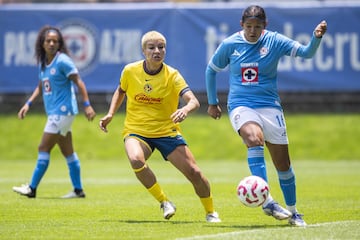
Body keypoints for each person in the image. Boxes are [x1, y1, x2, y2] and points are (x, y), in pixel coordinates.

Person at [205, 5, 327, 227]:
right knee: (253, 138)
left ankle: (293, 211)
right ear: (241, 25)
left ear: (265, 26)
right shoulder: (230, 44)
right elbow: (211, 70)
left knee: (283, 165)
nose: (253, 31)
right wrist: (213, 103)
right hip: (241, 105)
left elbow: (307, 53)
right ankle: (267, 201)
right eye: (249, 26)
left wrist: (316, 38)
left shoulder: (275, 41)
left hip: (270, 107)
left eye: (258, 27)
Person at [99, 31, 221, 223]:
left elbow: (194, 101)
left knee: (195, 173)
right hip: (136, 130)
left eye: (161, 47)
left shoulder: (172, 75)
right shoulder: (130, 71)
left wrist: (185, 109)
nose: (157, 51)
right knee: (136, 159)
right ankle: (164, 202)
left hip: (166, 131)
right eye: (152, 47)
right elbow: (120, 90)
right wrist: (110, 114)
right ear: (143, 50)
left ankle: (211, 212)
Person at [13, 25, 96, 199]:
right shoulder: (43, 63)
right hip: (56, 113)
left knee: (43, 147)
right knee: (68, 151)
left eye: (55, 41)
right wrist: (28, 103)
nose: (51, 43)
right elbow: (41, 86)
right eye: (48, 41)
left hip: (63, 111)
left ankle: (32, 188)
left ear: (59, 44)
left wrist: (87, 105)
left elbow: (79, 82)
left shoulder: (63, 61)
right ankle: (78, 190)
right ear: (42, 44)